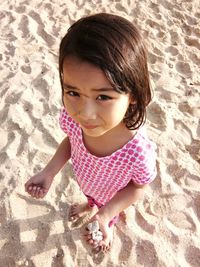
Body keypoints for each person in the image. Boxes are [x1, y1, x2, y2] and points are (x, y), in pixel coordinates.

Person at [25, 13, 157, 252]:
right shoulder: (73, 119)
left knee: (104, 214)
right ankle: (89, 205)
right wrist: (49, 172)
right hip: (87, 181)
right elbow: (71, 142)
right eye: (73, 93)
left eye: (103, 97)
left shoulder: (136, 150)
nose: (85, 113)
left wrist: (106, 215)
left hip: (112, 195)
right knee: (90, 197)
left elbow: (139, 187)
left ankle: (104, 219)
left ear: (134, 95)